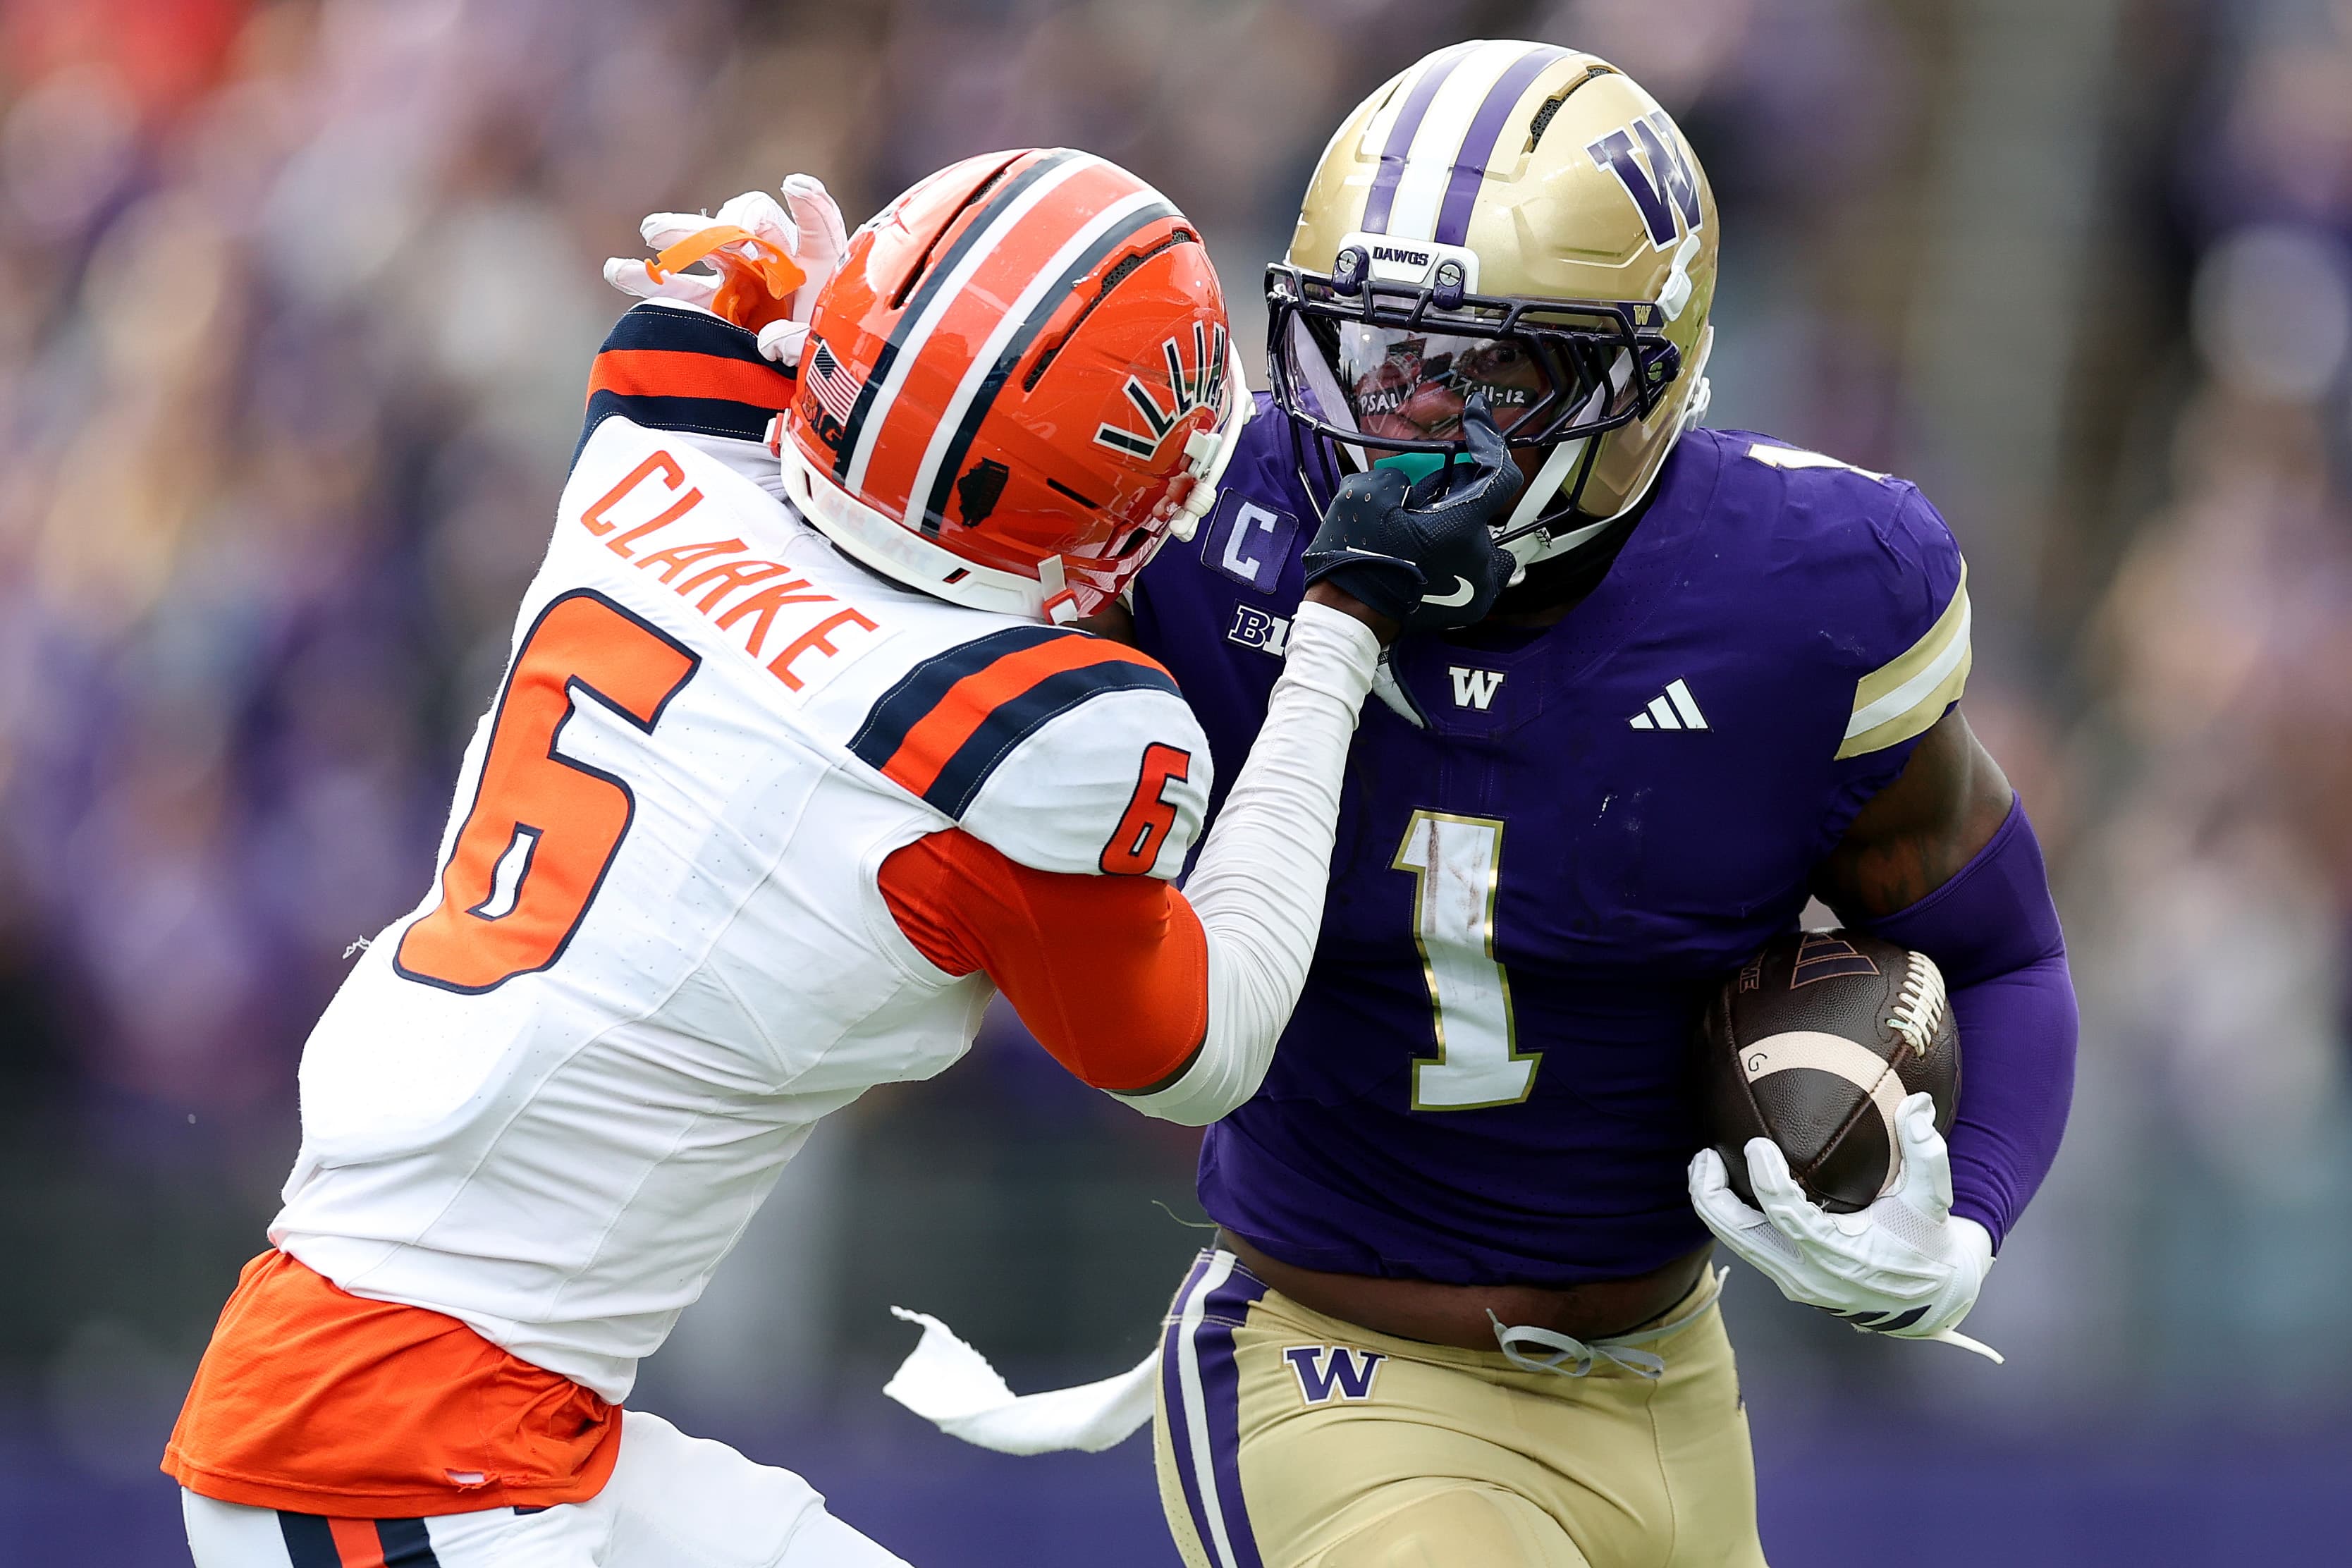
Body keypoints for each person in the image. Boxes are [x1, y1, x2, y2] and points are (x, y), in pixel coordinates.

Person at [160, 148, 1520, 1568]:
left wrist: (868, 343)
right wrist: (1341, 629)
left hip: (423, 1392)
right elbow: (1212, 1044)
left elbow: (743, 350)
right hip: (394, 1462)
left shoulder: (662, 436)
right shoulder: (1017, 738)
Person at [1105, 42, 2078, 1568]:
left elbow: (2007, 954)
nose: (1413, 421)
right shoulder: (1199, 528)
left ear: (1644, 382)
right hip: (1333, 1369)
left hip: (1672, 1384)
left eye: (1496, 371)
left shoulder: (1803, 595)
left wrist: (1963, 1231)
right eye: (1378, 354)